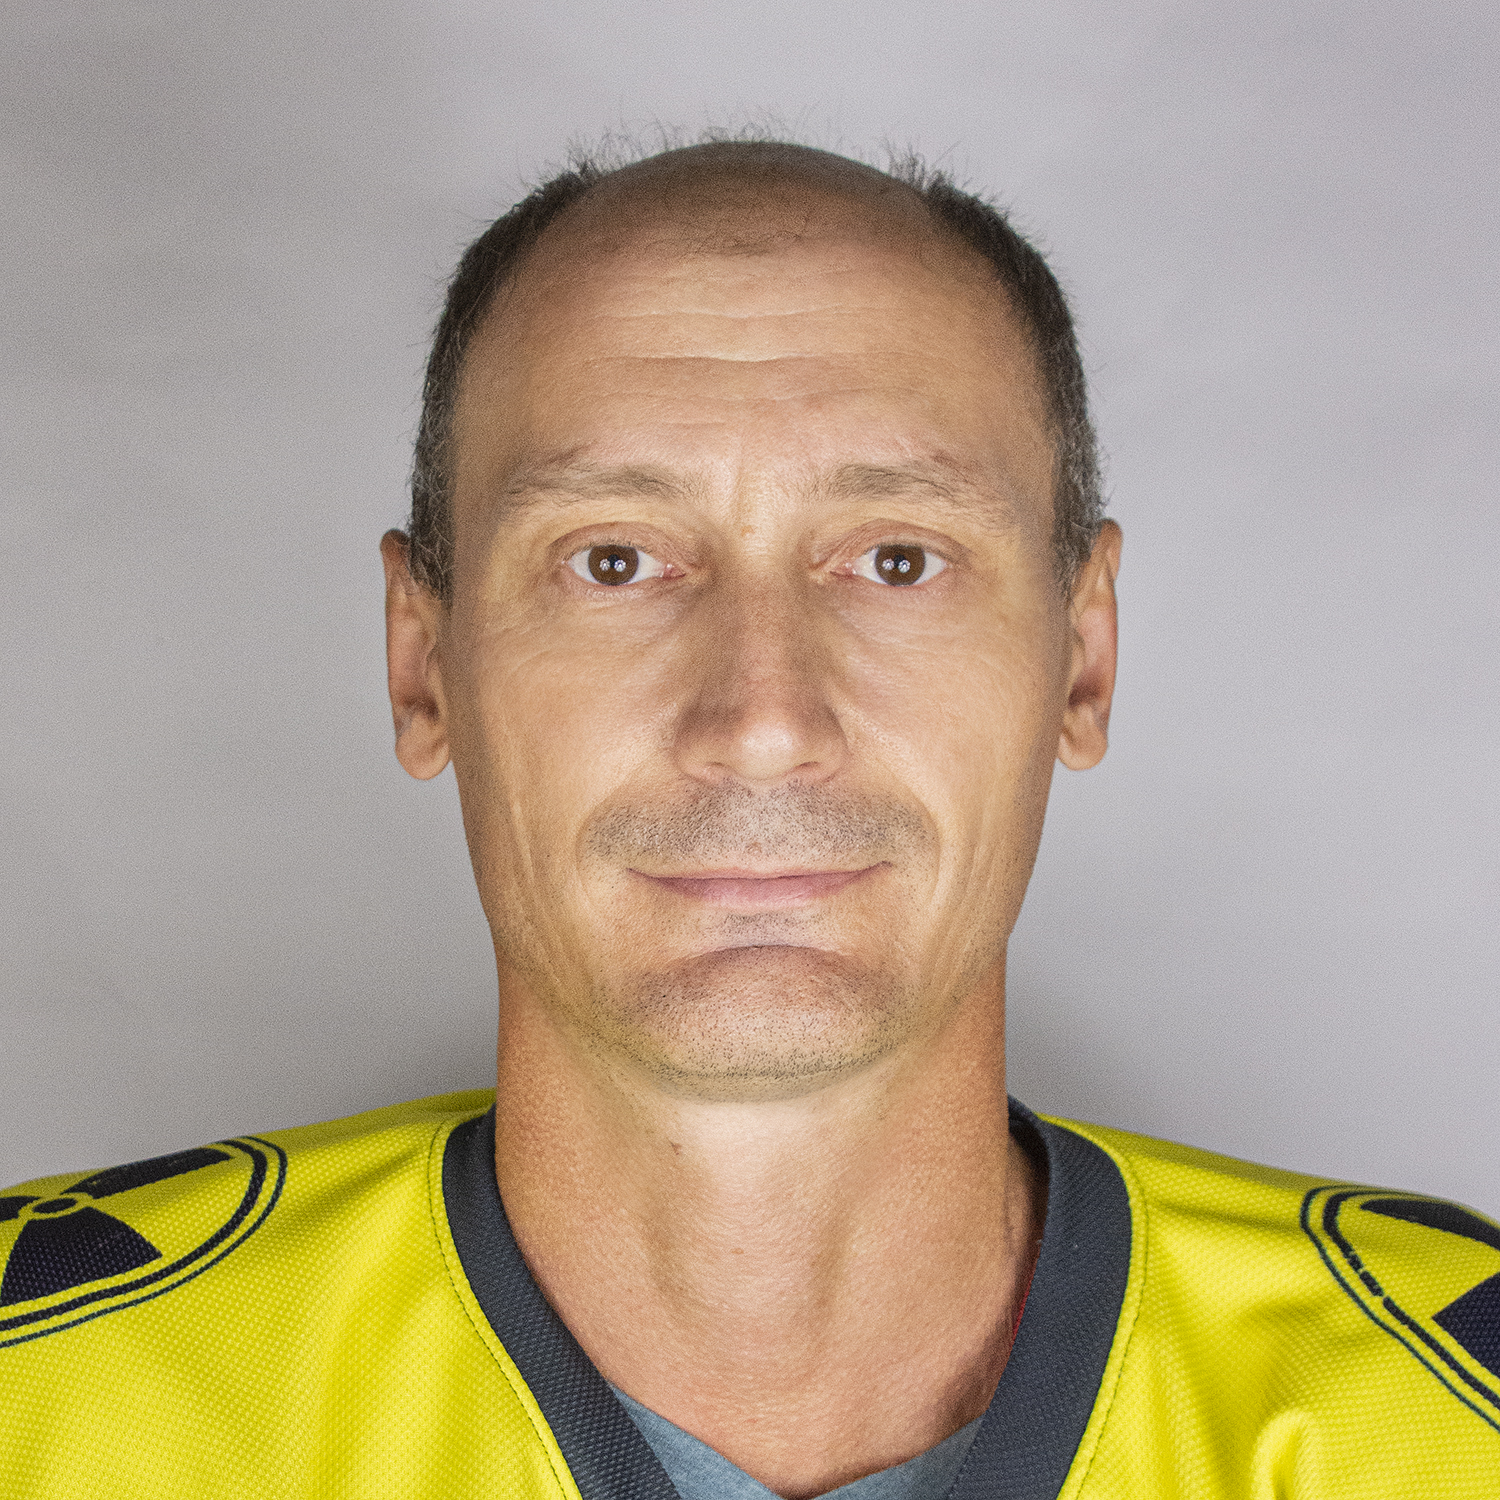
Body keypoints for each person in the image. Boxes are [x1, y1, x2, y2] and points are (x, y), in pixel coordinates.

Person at [0, 139, 1495, 1500]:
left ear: (1082, 657)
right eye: (613, 561)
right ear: (423, 662)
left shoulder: (1448, 1414)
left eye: (898, 560)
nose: (763, 719)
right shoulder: (42, 1397)